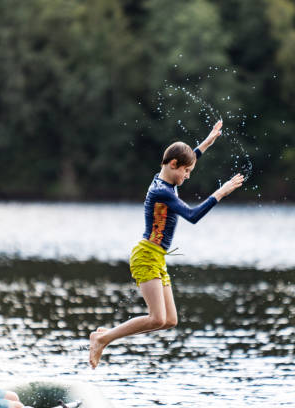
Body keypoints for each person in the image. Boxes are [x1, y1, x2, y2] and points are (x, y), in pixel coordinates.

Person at [89, 119, 244, 368]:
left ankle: (105, 336)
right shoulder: (162, 191)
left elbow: (187, 157)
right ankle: (103, 338)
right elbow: (192, 216)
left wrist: (208, 141)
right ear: (174, 165)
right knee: (156, 317)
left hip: (158, 256)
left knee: (169, 320)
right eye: (186, 171)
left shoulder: (166, 177)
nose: (187, 176)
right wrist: (221, 192)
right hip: (146, 255)